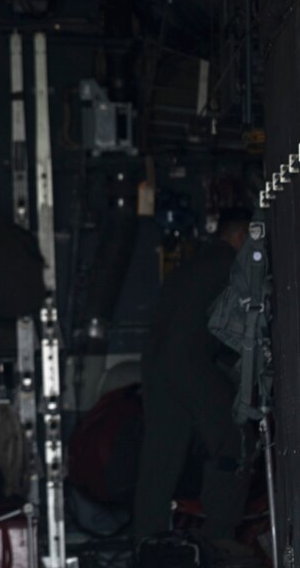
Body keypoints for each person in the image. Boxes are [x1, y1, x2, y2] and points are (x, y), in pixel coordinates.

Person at [133, 211, 252, 551]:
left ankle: (147, 544)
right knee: (235, 440)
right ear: (241, 238)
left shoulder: (193, 266)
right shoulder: (232, 267)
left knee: (160, 457)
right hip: (189, 361)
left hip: (159, 364)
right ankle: (220, 536)